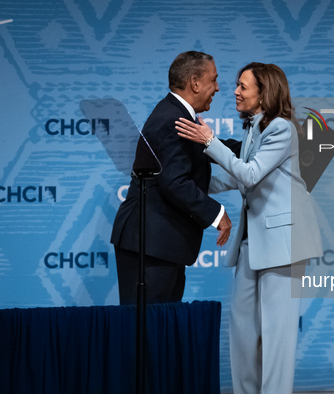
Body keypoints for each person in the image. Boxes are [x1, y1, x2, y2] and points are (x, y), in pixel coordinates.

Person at [175, 62, 322, 394]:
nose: (236, 91)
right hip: (251, 245)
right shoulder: (254, 128)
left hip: (284, 243)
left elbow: (251, 173)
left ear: (264, 92)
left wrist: (211, 141)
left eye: (243, 86)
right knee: (242, 331)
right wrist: (181, 180)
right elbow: (234, 176)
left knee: (277, 336)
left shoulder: (281, 128)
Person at [111, 51, 240, 305]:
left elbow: (207, 146)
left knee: (159, 330)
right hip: (150, 245)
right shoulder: (173, 119)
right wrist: (218, 214)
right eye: (213, 80)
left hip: (158, 244)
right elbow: (175, 182)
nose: (218, 87)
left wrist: (253, 149)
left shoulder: (176, 113)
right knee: (147, 332)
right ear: (195, 83)